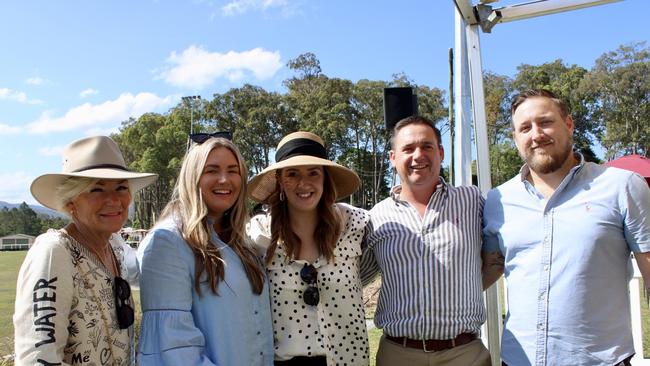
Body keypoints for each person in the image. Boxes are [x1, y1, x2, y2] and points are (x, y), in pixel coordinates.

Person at [482, 89, 650, 366]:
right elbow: (490, 269)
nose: (536, 134)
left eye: (545, 122)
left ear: (569, 124)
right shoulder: (497, 200)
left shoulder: (621, 186)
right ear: (515, 138)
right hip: (518, 360)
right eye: (525, 128)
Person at [13, 135, 158, 366]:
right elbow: (37, 359)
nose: (114, 200)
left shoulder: (115, 248)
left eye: (121, 187)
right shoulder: (54, 252)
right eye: (96, 190)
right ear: (71, 202)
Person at [360, 116, 491, 366]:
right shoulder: (376, 217)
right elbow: (356, 278)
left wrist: (469, 285)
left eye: (427, 147)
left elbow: (498, 258)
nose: (418, 155)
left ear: (440, 152)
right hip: (398, 354)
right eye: (408, 149)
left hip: (464, 354)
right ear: (392, 157)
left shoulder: (473, 202)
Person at [137, 135, 273, 365]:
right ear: (192, 177)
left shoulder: (241, 243)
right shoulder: (168, 242)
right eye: (211, 170)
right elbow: (173, 349)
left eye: (233, 170)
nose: (224, 179)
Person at [247, 131, 369, 366]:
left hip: (347, 360)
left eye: (313, 173)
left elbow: (368, 271)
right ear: (280, 180)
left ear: (325, 178)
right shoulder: (258, 236)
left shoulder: (355, 225)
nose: (304, 184)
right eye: (292, 174)